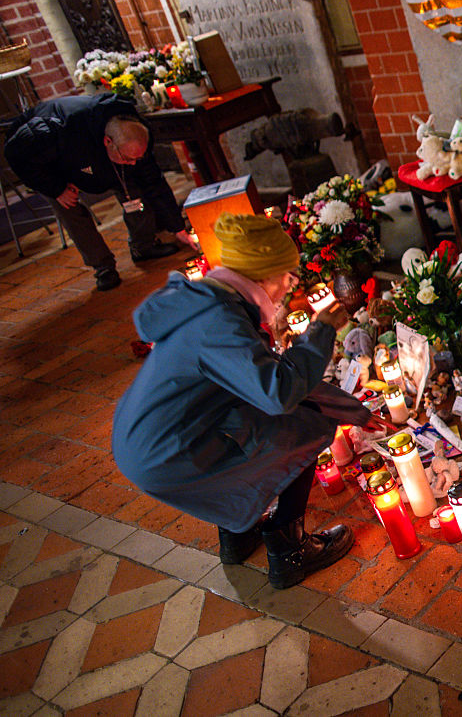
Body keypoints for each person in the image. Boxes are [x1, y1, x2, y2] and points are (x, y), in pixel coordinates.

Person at [112, 214, 376, 589]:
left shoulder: (207, 301)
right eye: (288, 276)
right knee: (303, 428)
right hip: (165, 450)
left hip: (147, 436)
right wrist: (320, 333)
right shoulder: (218, 322)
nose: (291, 285)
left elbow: (260, 383)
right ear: (263, 277)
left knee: (261, 423)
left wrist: (356, 411)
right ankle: (290, 551)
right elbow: (279, 393)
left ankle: (238, 536)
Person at [3, 93, 186, 291]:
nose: (133, 162)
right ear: (108, 141)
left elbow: (153, 181)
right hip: (56, 168)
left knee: (132, 186)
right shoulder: (55, 129)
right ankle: (103, 267)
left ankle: (144, 246)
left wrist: (177, 227)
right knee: (69, 209)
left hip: (97, 159)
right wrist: (56, 188)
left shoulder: (133, 133)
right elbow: (16, 155)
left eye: (138, 158)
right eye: (128, 157)